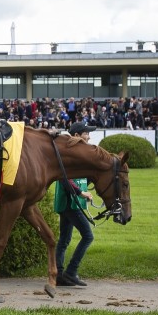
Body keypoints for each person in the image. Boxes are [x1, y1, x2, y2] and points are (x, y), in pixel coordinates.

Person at [54, 122, 96, 287]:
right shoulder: (68, 152)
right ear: (77, 136)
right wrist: (80, 192)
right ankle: (71, 272)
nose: (89, 136)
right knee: (88, 236)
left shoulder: (73, 152)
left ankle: (58, 275)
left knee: (64, 239)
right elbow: (64, 177)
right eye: (86, 133)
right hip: (71, 203)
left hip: (68, 203)